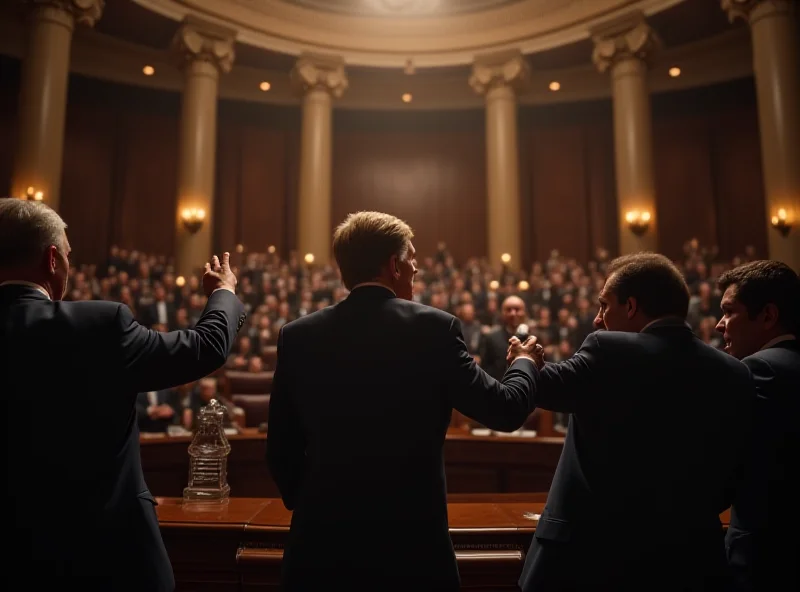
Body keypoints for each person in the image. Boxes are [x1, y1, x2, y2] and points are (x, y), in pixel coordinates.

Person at [266, 211, 537, 591]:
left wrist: (312, 501)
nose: (415, 269)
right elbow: (506, 410)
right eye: (411, 259)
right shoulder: (435, 328)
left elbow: (280, 449)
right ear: (393, 265)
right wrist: (524, 362)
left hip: (320, 550)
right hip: (412, 551)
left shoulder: (297, 336)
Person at [0, 198, 245, 591]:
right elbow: (204, 348)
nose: (69, 263)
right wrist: (225, 294)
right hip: (108, 558)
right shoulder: (99, 325)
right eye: (67, 254)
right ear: (51, 260)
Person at [514, 252, 754, 592]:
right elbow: (731, 478)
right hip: (691, 563)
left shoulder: (608, 349)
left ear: (630, 306)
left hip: (594, 563)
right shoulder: (735, 373)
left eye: (604, 305)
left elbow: (541, 388)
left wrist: (523, 359)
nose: (598, 320)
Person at [715, 260, 800, 592]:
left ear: (768, 316)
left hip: (767, 556)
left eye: (729, 311)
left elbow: (730, 463)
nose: (721, 324)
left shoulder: (760, 369)